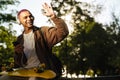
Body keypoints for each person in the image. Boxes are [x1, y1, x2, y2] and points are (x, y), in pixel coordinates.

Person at [0, 2, 69, 80]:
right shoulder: (19, 39)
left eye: (30, 16)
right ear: (19, 21)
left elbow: (63, 32)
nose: (29, 19)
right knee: (4, 78)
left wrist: (53, 16)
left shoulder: (43, 32)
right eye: (25, 17)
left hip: (42, 71)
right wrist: (17, 53)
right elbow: (18, 63)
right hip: (24, 71)